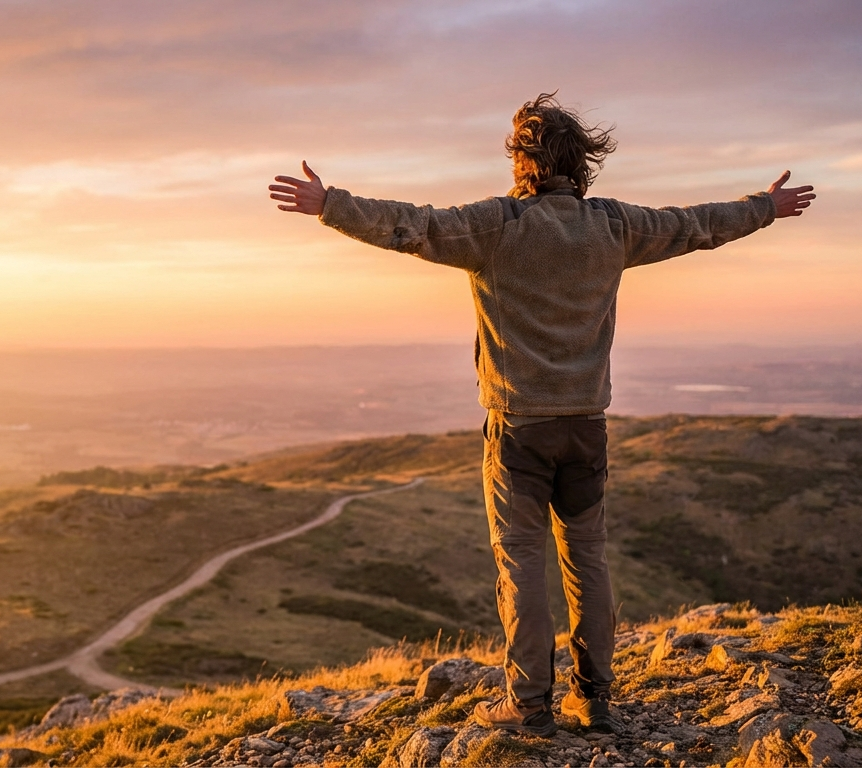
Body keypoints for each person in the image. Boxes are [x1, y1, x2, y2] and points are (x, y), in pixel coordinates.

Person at [268, 92, 815, 737]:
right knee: (589, 562)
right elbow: (693, 223)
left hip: (519, 431)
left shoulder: (496, 226)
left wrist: (330, 205)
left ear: (521, 162)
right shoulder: (614, 226)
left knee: (523, 564)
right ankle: (595, 699)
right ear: (581, 161)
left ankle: (529, 706)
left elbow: (411, 224)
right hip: (586, 428)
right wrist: (764, 209)